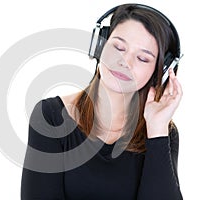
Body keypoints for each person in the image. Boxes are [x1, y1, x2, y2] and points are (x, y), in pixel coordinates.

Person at [21, 3, 183, 200]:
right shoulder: (50, 116)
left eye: (142, 58)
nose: (125, 62)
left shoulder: (162, 132)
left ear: (161, 74)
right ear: (100, 45)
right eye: (118, 47)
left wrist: (157, 131)